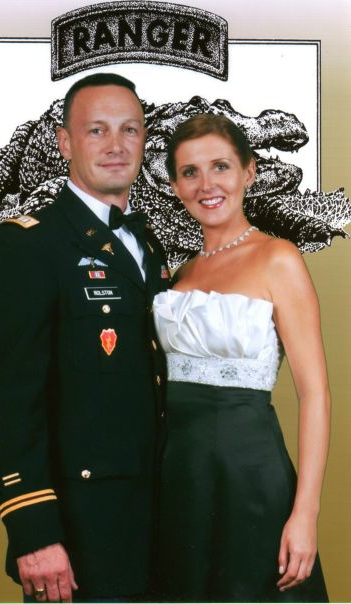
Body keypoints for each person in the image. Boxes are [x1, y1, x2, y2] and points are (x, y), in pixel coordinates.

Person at [0, 73, 170, 603]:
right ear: (65, 142)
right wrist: (33, 532)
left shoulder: (146, 244)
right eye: (96, 130)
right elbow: (7, 403)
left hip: (159, 523)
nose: (116, 145)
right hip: (80, 533)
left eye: (130, 130)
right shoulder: (27, 247)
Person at [152, 114, 330, 602]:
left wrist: (305, 513)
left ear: (249, 171)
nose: (206, 185)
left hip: (252, 476)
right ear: (174, 185)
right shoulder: (180, 273)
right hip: (178, 478)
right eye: (190, 172)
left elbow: (315, 394)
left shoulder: (279, 258)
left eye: (221, 166)